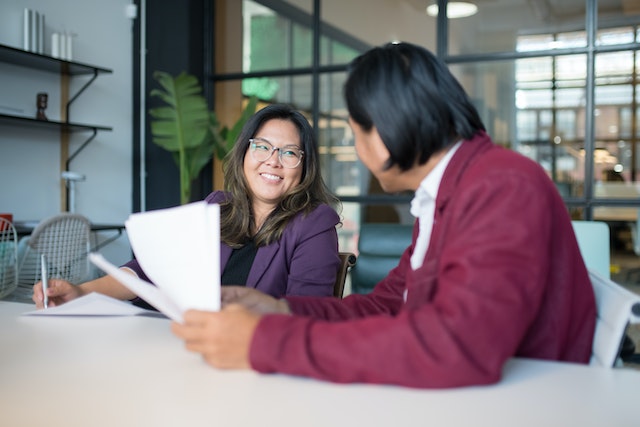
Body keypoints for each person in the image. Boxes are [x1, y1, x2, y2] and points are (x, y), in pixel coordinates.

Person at [171, 42, 597, 389]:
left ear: (386, 134)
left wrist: (263, 342)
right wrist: (279, 310)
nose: (358, 150)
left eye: (356, 134)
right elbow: (386, 305)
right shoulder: (448, 193)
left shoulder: (501, 186)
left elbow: (458, 348)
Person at [33, 104, 342, 308]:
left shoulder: (314, 223)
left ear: (304, 166)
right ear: (244, 154)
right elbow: (148, 270)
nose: (272, 161)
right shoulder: (217, 207)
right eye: (261, 147)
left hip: (252, 358)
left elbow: (307, 311)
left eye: (289, 153)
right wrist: (83, 293)